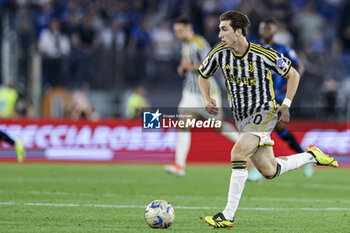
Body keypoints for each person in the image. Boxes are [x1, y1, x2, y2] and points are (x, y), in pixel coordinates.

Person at [197, 10, 338, 229]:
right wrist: (206, 97)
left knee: (237, 153)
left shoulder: (263, 54)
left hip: (264, 112)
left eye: (224, 29)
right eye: (219, 29)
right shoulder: (219, 53)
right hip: (243, 118)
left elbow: (293, 74)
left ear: (239, 31)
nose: (219, 34)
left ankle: (227, 215)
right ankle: (311, 156)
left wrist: (286, 104)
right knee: (270, 171)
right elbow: (202, 75)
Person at [164, 16, 239, 176]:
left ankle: (246, 145)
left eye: (179, 30)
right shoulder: (185, 45)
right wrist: (183, 68)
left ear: (189, 29)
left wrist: (189, 66)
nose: (177, 34)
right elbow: (189, 65)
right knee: (183, 123)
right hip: (190, 92)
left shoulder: (199, 44)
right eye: (175, 31)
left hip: (207, 92)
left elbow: (212, 64)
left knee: (218, 126)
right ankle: (179, 165)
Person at [247, 18, 313, 182]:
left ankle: (259, 169)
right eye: (264, 28)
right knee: (280, 131)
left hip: (276, 96)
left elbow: (297, 67)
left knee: (261, 128)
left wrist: (287, 85)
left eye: (270, 29)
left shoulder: (283, 49)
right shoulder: (253, 46)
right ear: (261, 30)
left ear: (275, 31)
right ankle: (307, 157)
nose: (267, 31)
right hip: (257, 96)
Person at [0, 82, 25, 162]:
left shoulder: (2, 91)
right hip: (7, 116)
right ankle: (15, 143)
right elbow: (14, 106)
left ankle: (15, 143)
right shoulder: (13, 94)